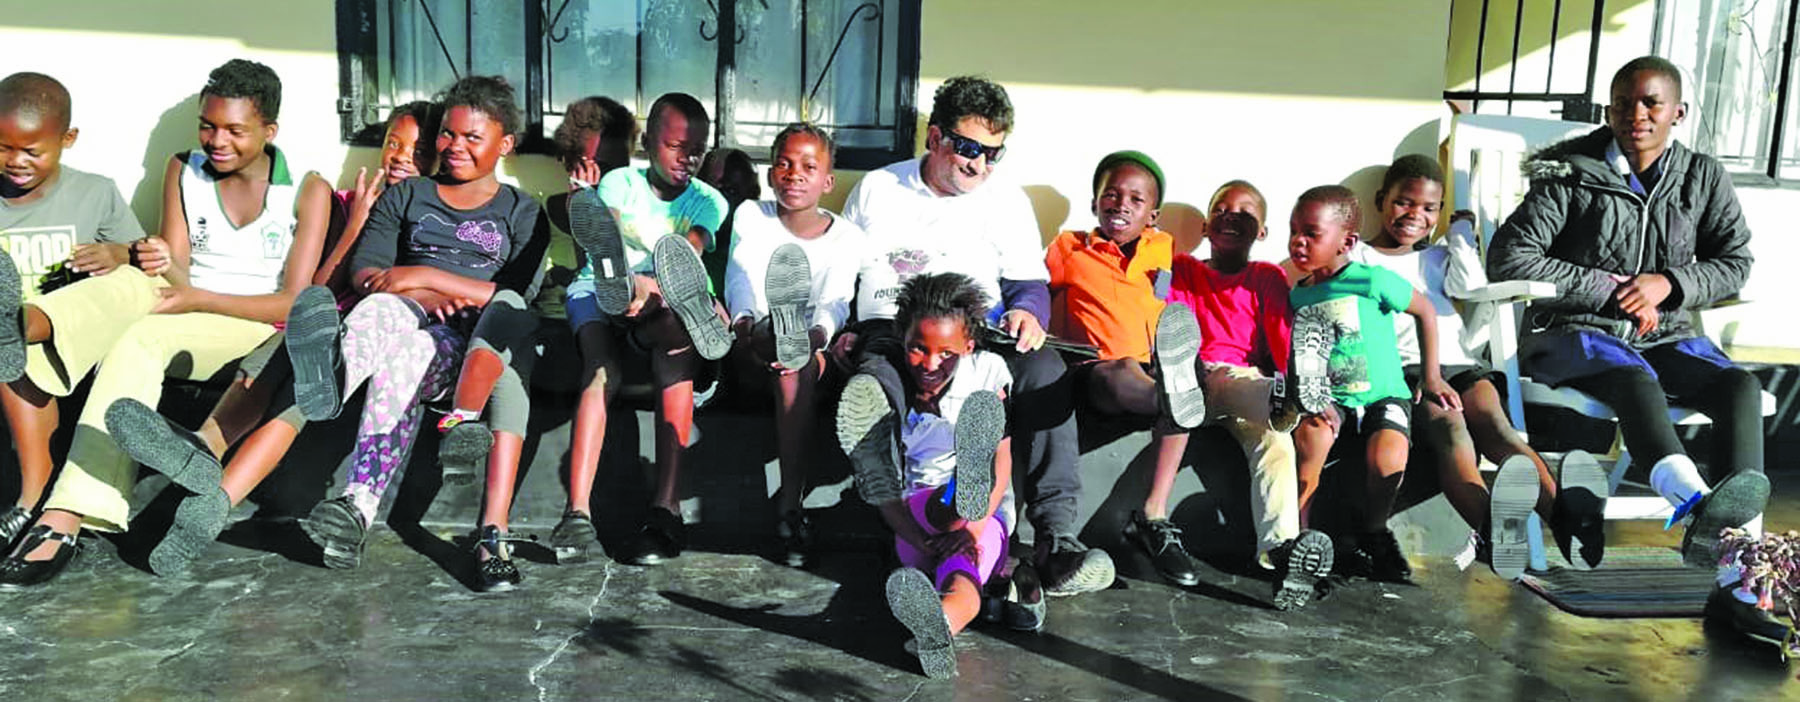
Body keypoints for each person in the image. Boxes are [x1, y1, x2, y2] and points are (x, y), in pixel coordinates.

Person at [0, 59, 333, 587]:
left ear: (269, 131)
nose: (216, 141)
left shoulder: (307, 190)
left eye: (234, 130)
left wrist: (197, 296)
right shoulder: (184, 169)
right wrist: (155, 262)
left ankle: (66, 514)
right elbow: (173, 267)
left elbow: (291, 303)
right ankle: (23, 324)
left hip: (250, 323)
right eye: (208, 125)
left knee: (139, 334)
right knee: (129, 281)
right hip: (184, 308)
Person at [1486, 56, 1780, 645]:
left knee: (1740, 386)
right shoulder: (1570, 174)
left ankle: (1740, 583)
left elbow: (1734, 262)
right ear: (1609, 110)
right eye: (1622, 103)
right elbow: (1511, 258)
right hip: (1574, 332)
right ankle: (1696, 506)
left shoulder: (1701, 177)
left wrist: (1668, 284)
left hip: (1663, 332)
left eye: (1650, 103)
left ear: (1678, 113)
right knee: (1634, 377)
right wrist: (1612, 290)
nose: (1635, 115)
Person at [103, 102, 439, 575]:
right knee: (282, 357)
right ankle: (202, 449)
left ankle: (211, 480)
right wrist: (356, 224)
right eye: (392, 143)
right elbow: (318, 289)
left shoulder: (432, 217)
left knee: (305, 383)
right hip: (313, 327)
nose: (401, 157)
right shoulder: (348, 202)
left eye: (418, 151)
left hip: (364, 342)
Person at [836, 77, 1112, 616]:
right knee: (877, 383)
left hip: (980, 334)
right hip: (895, 330)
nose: (980, 164)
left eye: (993, 152)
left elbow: (1028, 281)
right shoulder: (877, 188)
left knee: (1047, 372)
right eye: (968, 148)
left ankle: (1056, 542)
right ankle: (901, 516)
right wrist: (841, 324)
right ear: (936, 137)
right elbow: (841, 267)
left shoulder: (1006, 199)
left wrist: (1028, 313)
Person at [281, 75, 549, 582]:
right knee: (380, 312)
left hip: (464, 342)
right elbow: (368, 272)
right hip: (402, 310)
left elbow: (515, 294)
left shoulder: (521, 211)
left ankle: (358, 500)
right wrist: (423, 293)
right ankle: (334, 379)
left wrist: (422, 275)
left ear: (505, 144)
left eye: (473, 137)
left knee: (410, 356)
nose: (455, 147)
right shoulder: (409, 195)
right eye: (448, 133)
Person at [1353, 154, 1609, 580]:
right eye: (1403, 203)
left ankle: (1567, 523)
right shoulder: (1360, 256)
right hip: (1412, 368)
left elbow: (1471, 286)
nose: (1414, 215)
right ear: (1381, 201)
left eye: (1429, 208)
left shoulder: (1438, 257)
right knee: (1453, 432)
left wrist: (1459, 235)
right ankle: (1492, 530)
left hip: (1461, 363)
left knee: (1498, 428)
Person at [431, 95, 637, 582]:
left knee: (530, 347)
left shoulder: (632, 201)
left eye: (613, 166)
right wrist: (580, 203)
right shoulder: (546, 208)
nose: (603, 174)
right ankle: (490, 520)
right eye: (592, 164)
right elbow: (531, 276)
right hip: (548, 322)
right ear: (568, 162)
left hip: (616, 319)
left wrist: (599, 208)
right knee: (511, 337)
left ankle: (498, 513)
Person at [559, 92, 731, 567]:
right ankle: (577, 512)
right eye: (676, 147)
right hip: (598, 289)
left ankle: (665, 509)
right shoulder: (620, 181)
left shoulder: (710, 201)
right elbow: (607, 234)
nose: (687, 159)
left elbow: (692, 245)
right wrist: (628, 279)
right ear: (649, 142)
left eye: (697, 151)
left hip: (664, 303)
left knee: (676, 333)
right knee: (601, 369)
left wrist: (654, 285)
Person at [0, 72, 148, 554]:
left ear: (68, 140)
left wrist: (117, 254)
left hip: (71, 339)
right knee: (8, 342)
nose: (16, 161)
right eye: (2, 148)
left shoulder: (95, 192)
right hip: (15, 348)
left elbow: (142, 262)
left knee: (12, 339)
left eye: (32, 151)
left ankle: (31, 497)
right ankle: (34, 497)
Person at [1285, 185, 1454, 585]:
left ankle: (1375, 530)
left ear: (1347, 243)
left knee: (1387, 459)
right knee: (1311, 441)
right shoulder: (1299, 296)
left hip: (1383, 394)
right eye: (1294, 231)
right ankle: (1301, 539)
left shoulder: (1371, 280)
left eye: (1311, 233)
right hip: (1330, 400)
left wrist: (1431, 376)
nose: (1298, 241)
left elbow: (1426, 311)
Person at [722, 123, 863, 567]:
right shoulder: (752, 215)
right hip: (752, 344)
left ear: (828, 181)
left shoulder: (847, 236)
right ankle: (767, 336)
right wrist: (744, 325)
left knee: (796, 365)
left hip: (812, 352)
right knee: (769, 336)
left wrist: (812, 340)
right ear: (770, 175)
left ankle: (790, 504)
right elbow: (741, 276)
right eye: (783, 164)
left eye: (808, 166)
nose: (794, 174)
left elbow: (836, 302)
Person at [867, 272, 1012, 679]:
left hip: (984, 518)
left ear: (969, 346)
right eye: (918, 348)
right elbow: (882, 488)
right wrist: (922, 540)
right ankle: (962, 489)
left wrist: (972, 530)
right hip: (914, 519)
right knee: (961, 562)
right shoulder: (888, 381)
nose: (931, 364)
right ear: (902, 339)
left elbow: (1002, 461)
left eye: (946, 353)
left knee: (963, 569)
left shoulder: (988, 371)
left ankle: (938, 626)